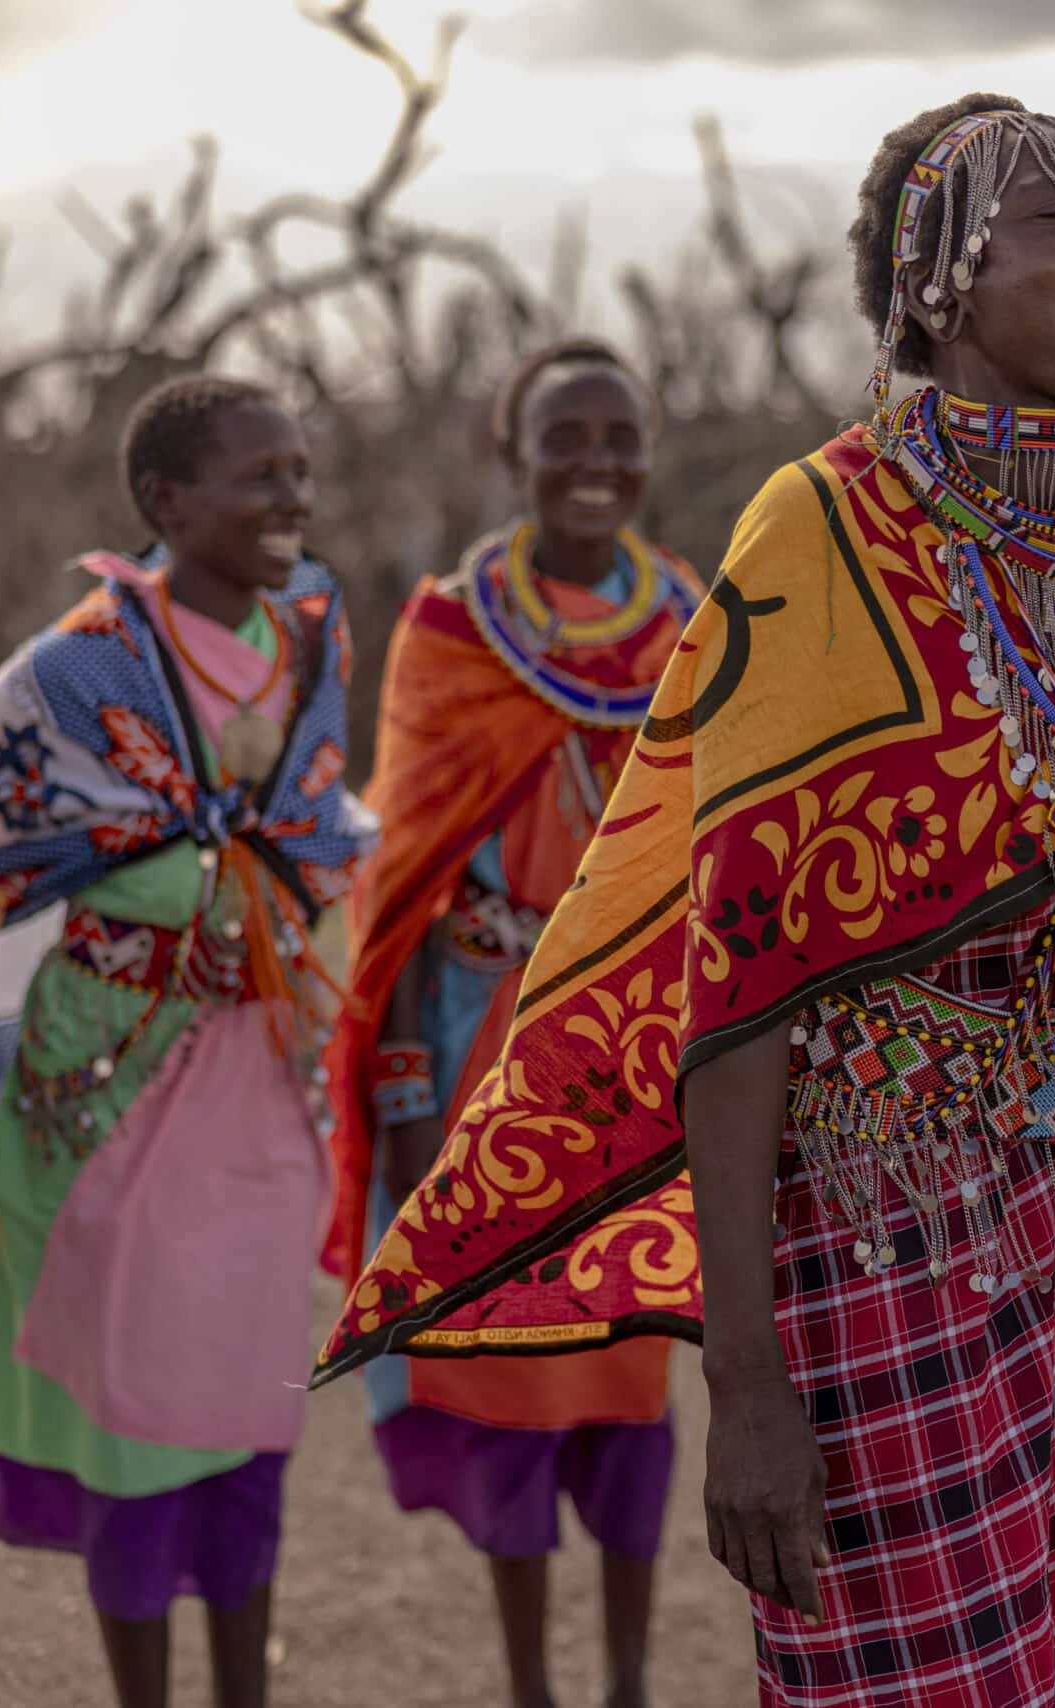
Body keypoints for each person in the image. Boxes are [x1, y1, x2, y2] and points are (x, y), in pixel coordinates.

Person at [312, 94, 1055, 1705]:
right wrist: (747, 1385)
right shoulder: (826, 534)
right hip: (903, 1251)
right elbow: (739, 988)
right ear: (938, 276)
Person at [0, 375, 377, 1708]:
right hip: (109, 1079)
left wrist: (249, 889)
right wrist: (190, 893)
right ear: (163, 501)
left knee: (250, 1397)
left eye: (300, 474)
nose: (290, 501)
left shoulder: (314, 636)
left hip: (256, 1071)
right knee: (134, 1411)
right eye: (258, 476)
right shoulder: (70, 673)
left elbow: (316, 830)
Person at [323, 338, 700, 1708]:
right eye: (566, 436)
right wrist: (411, 1096)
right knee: (505, 1371)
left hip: (641, 1059)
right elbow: (407, 875)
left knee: (631, 1372)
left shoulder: (696, 626)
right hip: (489, 1051)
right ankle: (535, 1687)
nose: (595, 462)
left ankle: (630, 1681)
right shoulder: (451, 631)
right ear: (512, 449)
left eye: (621, 435)